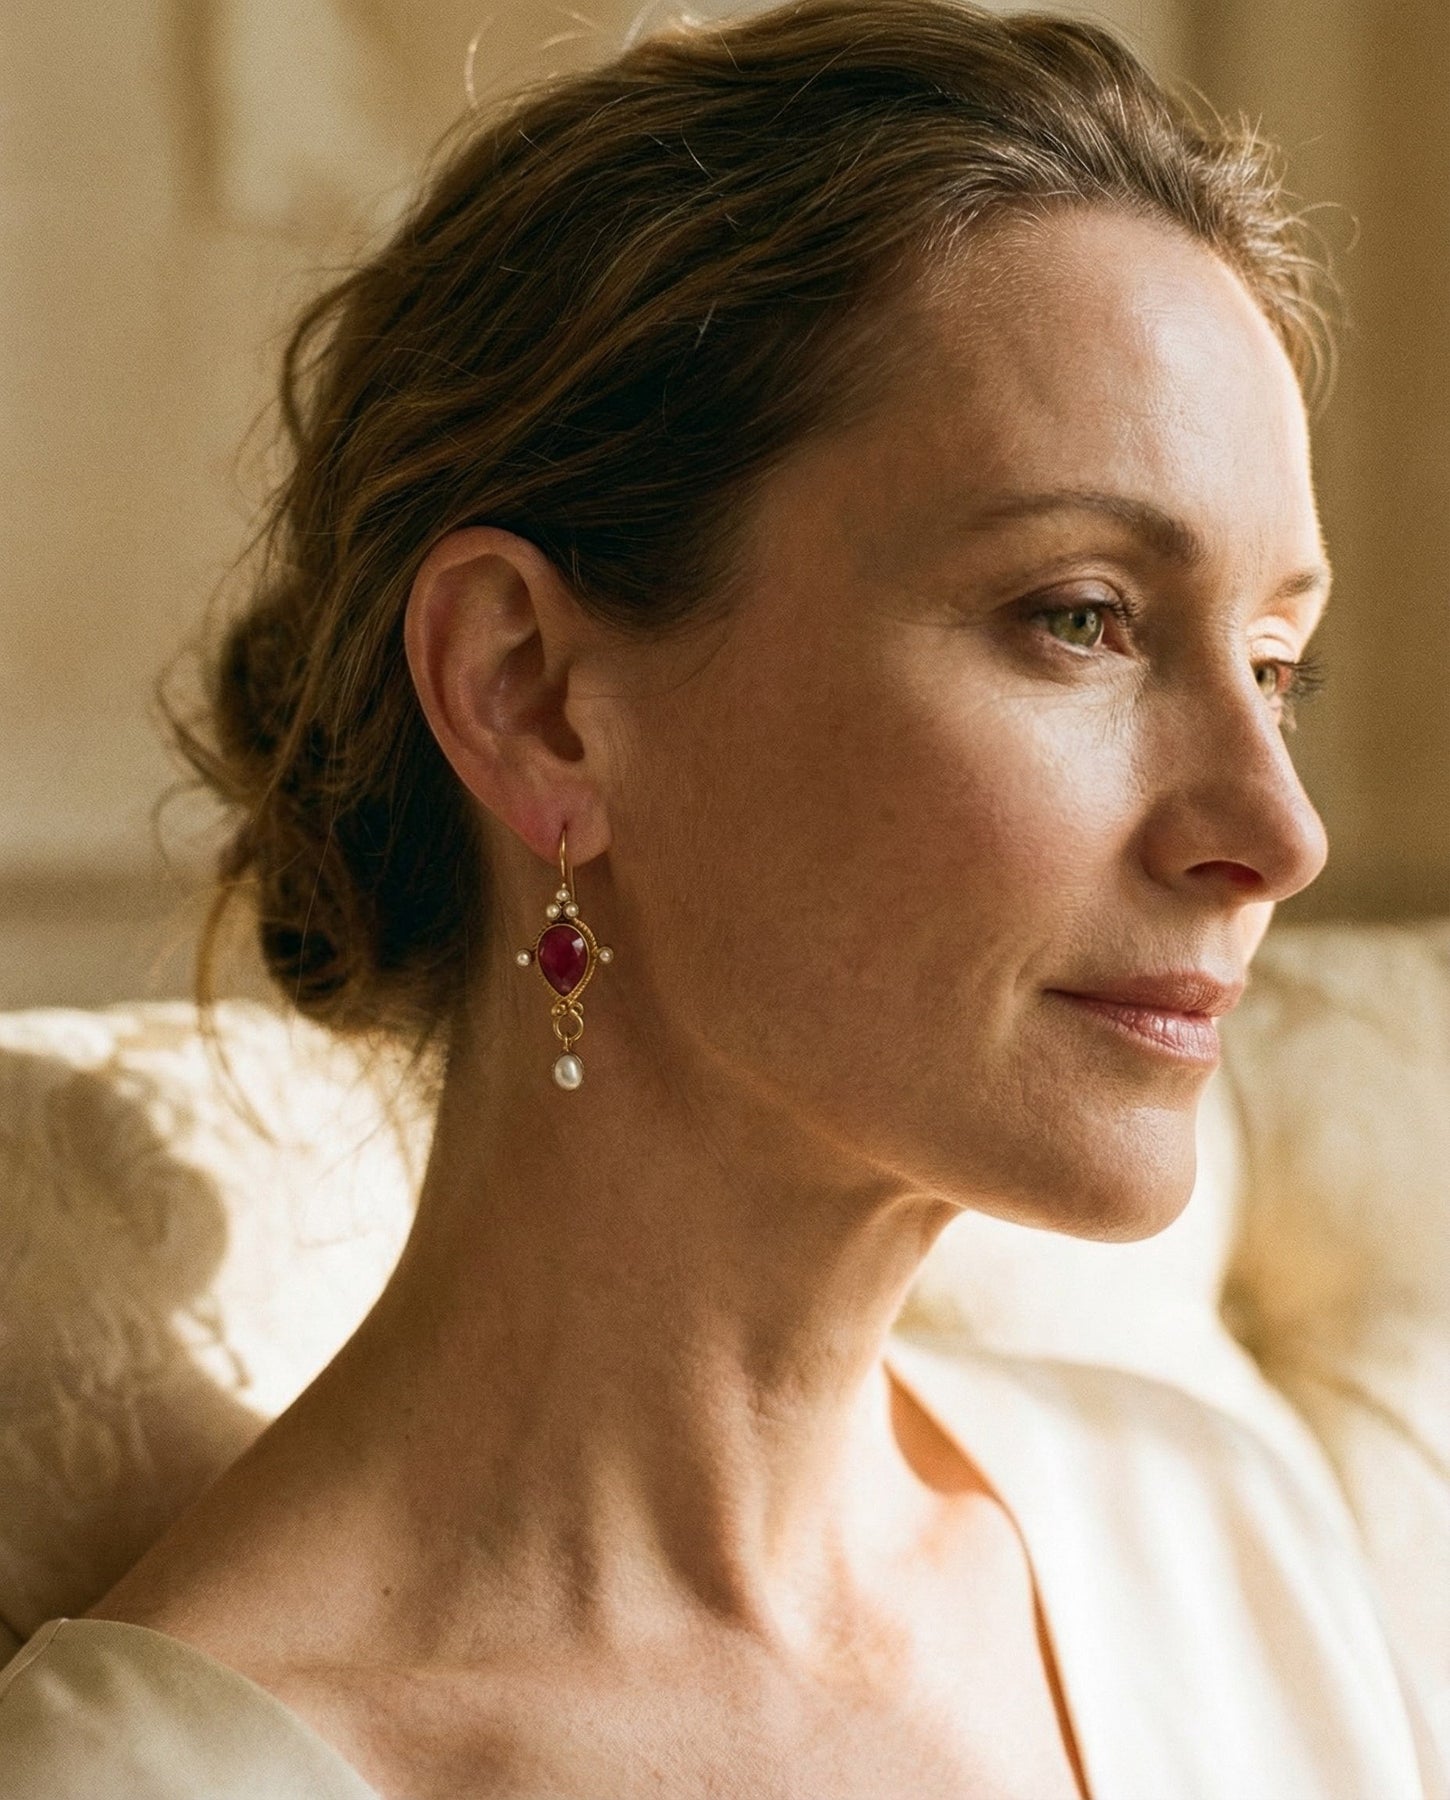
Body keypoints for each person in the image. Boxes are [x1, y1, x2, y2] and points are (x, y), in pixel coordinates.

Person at [0, 0, 1439, 1794]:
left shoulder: (1220, 1544)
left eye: (1275, 664)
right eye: (1079, 618)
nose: (1276, 831)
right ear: (533, 695)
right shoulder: (163, 1778)